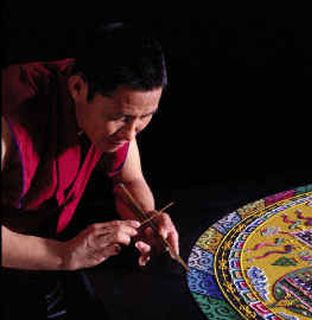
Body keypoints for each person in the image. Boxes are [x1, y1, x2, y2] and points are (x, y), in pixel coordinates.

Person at [1, 23, 179, 319]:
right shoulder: (11, 110)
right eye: (121, 117)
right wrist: (65, 255)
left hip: (44, 266)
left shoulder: (115, 118)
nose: (131, 133)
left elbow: (128, 179)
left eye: (146, 117)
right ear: (77, 88)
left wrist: (148, 217)